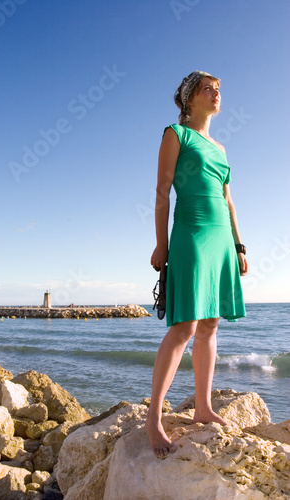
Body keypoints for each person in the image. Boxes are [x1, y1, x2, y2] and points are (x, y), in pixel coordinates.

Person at [145, 71, 248, 458]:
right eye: (209, 88)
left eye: (219, 89)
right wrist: (161, 243)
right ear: (190, 99)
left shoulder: (220, 147)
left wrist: (238, 246)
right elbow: (161, 190)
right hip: (191, 232)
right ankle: (153, 416)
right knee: (184, 324)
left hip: (222, 236)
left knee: (210, 323)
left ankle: (202, 407)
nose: (217, 93)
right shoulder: (176, 134)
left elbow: (229, 199)